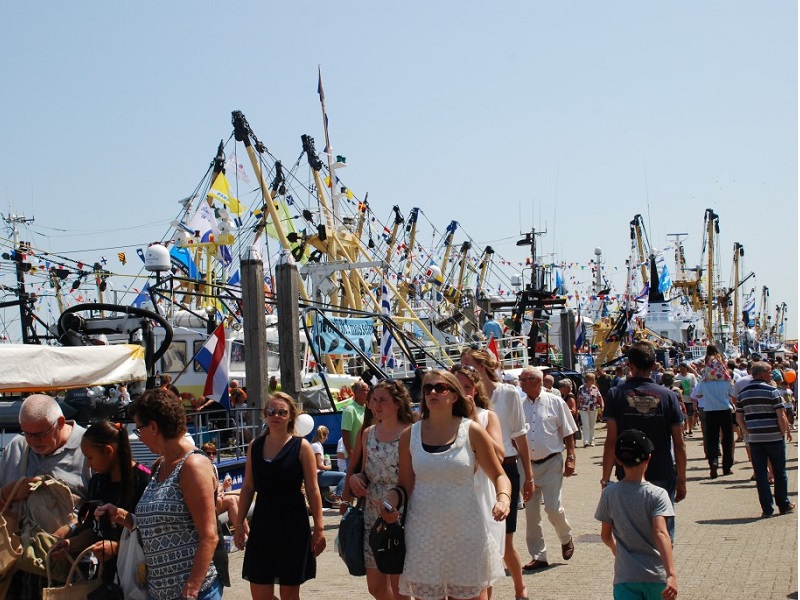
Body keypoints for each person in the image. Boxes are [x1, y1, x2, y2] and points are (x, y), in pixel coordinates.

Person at [380, 370, 511, 600]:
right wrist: (390, 501)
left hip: (466, 532)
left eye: (440, 388)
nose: (432, 392)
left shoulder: (472, 430)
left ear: (453, 395)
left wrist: (503, 499)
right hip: (424, 535)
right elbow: (403, 486)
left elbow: (500, 475)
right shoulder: (409, 435)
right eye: (427, 388)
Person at [97, 388, 222, 600]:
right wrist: (120, 515)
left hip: (194, 594)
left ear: (153, 427)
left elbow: (209, 536)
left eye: (139, 429)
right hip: (160, 593)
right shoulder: (160, 464)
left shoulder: (192, 466)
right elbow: (156, 525)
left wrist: (190, 591)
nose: (139, 436)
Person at [234, 392, 325, 599]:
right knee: (259, 591)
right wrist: (239, 524)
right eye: (271, 411)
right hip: (263, 521)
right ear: (265, 414)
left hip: (293, 522)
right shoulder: (254, 446)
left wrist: (319, 528)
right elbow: (248, 487)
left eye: (282, 412)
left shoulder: (301, 447)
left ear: (291, 416)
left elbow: (313, 490)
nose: (276, 416)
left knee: (289, 593)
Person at [0, 394, 91, 599]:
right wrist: (9, 493)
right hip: (19, 567)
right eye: (27, 434)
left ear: (60, 423)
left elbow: (102, 507)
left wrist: (71, 529)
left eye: (40, 434)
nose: (32, 441)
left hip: (69, 565)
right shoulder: (16, 447)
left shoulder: (87, 447)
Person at [461, 348, 534, 600]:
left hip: (505, 469)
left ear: (482, 367)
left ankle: (519, 584)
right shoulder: (458, 405)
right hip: (471, 473)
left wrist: (529, 476)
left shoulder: (509, 394)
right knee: (481, 543)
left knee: (505, 540)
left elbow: (520, 437)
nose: (464, 369)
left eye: (468, 365)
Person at [602, 341, 686, 541]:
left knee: (631, 531)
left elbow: (611, 440)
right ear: (654, 365)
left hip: (628, 471)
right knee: (663, 531)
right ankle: (665, 568)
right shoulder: (668, 396)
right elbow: (679, 443)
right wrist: (682, 478)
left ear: (629, 365)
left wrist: (605, 478)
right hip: (662, 470)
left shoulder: (616, 394)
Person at [51, 420, 151, 586]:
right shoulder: (97, 482)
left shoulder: (144, 480)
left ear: (108, 451)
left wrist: (118, 547)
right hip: (107, 579)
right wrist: (70, 544)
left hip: (139, 579)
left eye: (90, 458)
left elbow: (150, 536)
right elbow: (93, 529)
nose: (89, 464)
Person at [348, 380, 415, 600]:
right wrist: (357, 478)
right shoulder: (367, 433)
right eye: (374, 400)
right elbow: (365, 469)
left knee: (400, 587)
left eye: (382, 400)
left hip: (401, 511)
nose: (376, 405)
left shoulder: (411, 432)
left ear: (397, 404)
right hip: (372, 514)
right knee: (375, 586)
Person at [595, 430, 678, 600]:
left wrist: (615, 548)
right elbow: (661, 533)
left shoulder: (609, 494)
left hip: (625, 577)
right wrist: (671, 574)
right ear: (648, 458)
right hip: (656, 576)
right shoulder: (658, 494)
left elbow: (605, 535)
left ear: (618, 460)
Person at [452, 364, 506, 599]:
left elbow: (500, 456)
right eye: (457, 387)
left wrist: (474, 419)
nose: (463, 393)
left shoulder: (487, 416)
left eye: (467, 387)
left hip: (482, 496)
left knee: (484, 569)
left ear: (475, 390)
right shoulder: (442, 422)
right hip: (453, 500)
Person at [518, 367, 578, 571]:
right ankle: (539, 556)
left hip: (552, 461)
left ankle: (565, 537)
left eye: (524, 379)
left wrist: (571, 457)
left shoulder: (555, 402)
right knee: (532, 514)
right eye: (520, 379)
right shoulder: (519, 405)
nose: (520, 382)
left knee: (553, 507)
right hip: (526, 466)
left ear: (536, 381)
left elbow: (568, 431)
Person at [735, 361, 795, 517]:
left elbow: (739, 416)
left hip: (755, 439)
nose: (771, 375)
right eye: (769, 372)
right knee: (779, 472)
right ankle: (783, 504)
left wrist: (746, 431)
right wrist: (783, 432)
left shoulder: (743, 393)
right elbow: (781, 415)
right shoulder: (772, 391)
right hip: (773, 437)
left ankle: (767, 509)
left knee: (761, 474)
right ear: (761, 374)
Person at [694, 345, 734, 478]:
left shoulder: (704, 383)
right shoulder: (727, 382)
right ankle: (727, 466)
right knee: (727, 439)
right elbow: (732, 394)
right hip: (725, 410)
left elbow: (698, 395)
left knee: (712, 439)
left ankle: (713, 462)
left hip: (710, 410)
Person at [201, 442, 240, 527]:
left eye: (214, 453)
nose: (211, 456)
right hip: (205, 507)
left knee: (236, 499)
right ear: (203, 454)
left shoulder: (214, 467)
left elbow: (216, 488)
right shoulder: (201, 470)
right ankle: (243, 534)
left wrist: (220, 491)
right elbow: (209, 494)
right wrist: (223, 487)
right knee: (230, 500)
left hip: (214, 501)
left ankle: (246, 534)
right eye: (208, 453)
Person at [310, 425, 345, 506]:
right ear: (325, 435)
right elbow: (319, 465)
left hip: (316, 474)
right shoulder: (317, 447)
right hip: (318, 475)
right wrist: (329, 467)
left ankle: (335, 495)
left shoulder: (314, 445)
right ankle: (336, 497)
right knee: (344, 476)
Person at [341, 381, 369, 471]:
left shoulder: (366, 409)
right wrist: (350, 453)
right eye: (366, 390)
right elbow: (345, 433)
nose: (369, 392)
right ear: (357, 393)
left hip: (364, 455)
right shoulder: (350, 410)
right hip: (354, 456)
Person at [577, 372, 604, 447]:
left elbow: (599, 397)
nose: (594, 380)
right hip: (583, 408)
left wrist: (602, 405)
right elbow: (578, 398)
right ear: (588, 380)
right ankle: (586, 441)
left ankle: (592, 440)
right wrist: (577, 408)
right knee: (585, 424)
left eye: (594, 379)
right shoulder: (581, 388)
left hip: (593, 408)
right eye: (592, 379)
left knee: (592, 425)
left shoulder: (595, 388)